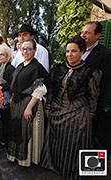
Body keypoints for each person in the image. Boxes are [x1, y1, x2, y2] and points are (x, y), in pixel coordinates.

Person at [40, 35, 102, 180]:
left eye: (73, 51)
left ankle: (78, 173)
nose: (69, 55)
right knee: (58, 145)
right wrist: (48, 106)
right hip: (56, 112)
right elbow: (52, 90)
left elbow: (94, 96)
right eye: (67, 51)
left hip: (77, 116)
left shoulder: (90, 72)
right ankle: (58, 168)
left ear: (82, 52)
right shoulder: (58, 68)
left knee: (75, 147)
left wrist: (90, 115)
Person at [7, 39, 48, 167]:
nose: (26, 52)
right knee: (17, 130)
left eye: (29, 49)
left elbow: (40, 89)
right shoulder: (21, 65)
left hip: (30, 104)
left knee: (27, 132)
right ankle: (16, 157)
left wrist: (29, 108)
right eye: (23, 49)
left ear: (35, 50)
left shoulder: (37, 67)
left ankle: (27, 160)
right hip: (17, 104)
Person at [80, 21, 111, 158]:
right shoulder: (77, 49)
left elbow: (105, 82)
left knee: (93, 137)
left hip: (92, 104)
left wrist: (94, 105)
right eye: (82, 32)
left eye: (87, 32)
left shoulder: (105, 54)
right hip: (77, 104)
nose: (83, 35)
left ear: (97, 35)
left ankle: (92, 170)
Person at [0, 45, 15, 149]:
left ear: (7, 56)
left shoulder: (10, 67)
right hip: (1, 95)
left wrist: (0, 87)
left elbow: (12, 84)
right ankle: (4, 137)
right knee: (3, 117)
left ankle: (5, 140)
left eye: (2, 54)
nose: (0, 56)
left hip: (6, 97)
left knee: (6, 119)